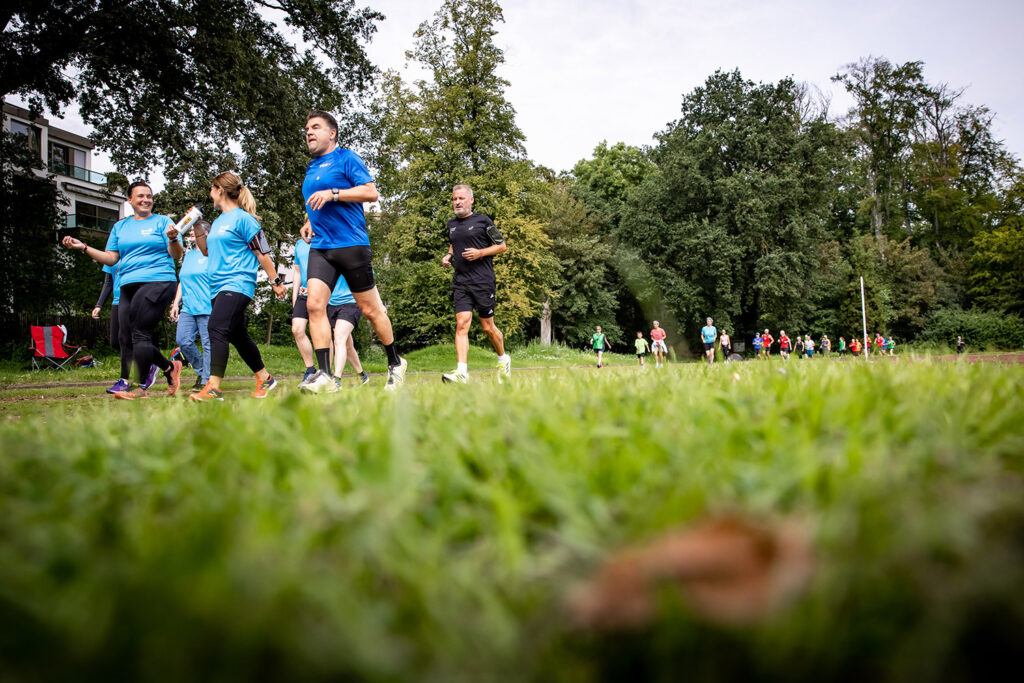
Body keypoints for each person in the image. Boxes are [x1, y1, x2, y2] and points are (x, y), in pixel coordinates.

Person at [299, 110, 406, 390]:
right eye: (307, 129)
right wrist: (310, 220)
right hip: (322, 247)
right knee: (314, 305)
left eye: (316, 127)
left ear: (332, 133)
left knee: (371, 310)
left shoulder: (347, 158)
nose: (309, 132)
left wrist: (334, 194)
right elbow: (316, 201)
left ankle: (395, 361)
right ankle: (324, 376)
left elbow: (371, 192)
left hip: (352, 245)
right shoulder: (312, 168)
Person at [62, 180, 184, 400]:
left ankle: (139, 388)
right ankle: (169, 368)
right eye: (140, 196)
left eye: (149, 196)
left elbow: (177, 254)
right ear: (130, 200)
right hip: (127, 285)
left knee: (140, 333)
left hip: (157, 281)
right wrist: (84, 248)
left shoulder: (163, 222)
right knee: (125, 338)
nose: (146, 200)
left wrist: (174, 238)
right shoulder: (121, 227)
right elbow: (111, 258)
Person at [190, 172, 287, 401]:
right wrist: (195, 225)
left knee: (216, 328)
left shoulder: (245, 219)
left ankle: (213, 387)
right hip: (217, 286)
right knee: (237, 335)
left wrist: (276, 282)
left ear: (220, 190)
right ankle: (265, 377)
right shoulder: (219, 222)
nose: (210, 194)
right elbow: (206, 251)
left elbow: (262, 253)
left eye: (212, 189)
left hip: (237, 283)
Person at [439, 184, 511, 384]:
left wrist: (480, 253)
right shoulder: (451, 223)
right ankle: (462, 372)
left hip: (483, 281)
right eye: (454, 199)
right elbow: (454, 242)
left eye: (461, 198)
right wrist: (449, 255)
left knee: (488, 327)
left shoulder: (483, 221)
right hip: (461, 281)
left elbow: (502, 246)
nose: (457, 202)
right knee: (461, 324)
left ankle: (503, 359)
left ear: (471, 200)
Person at [300, 271, 370, 392]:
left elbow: (368, 280)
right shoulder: (330, 258)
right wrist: (309, 289)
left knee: (339, 337)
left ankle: (335, 381)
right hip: (331, 304)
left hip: (351, 303)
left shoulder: (354, 255)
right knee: (347, 345)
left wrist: (378, 304)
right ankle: (363, 377)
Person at [169, 222, 212, 392]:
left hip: (207, 305)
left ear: (206, 233)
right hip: (188, 306)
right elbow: (183, 281)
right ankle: (202, 370)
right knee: (183, 340)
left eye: (196, 231)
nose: (192, 234)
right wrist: (175, 303)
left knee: (208, 344)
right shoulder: (188, 255)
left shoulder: (212, 254)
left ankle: (207, 379)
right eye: (191, 232)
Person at [290, 237, 317, 384]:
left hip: (322, 292)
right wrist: (294, 298)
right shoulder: (299, 244)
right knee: (297, 329)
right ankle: (310, 370)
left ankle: (327, 372)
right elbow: (297, 272)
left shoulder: (325, 239)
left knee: (320, 332)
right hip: (303, 292)